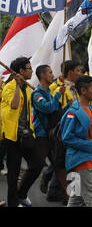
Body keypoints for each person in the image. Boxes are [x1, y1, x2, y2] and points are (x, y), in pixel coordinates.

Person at [1, 57, 45, 207]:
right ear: (20, 71)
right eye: (29, 68)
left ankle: (21, 194)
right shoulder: (9, 87)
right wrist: (18, 87)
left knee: (38, 164)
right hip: (12, 136)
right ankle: (13, 203)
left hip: (27, 134)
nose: (31, 70)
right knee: (13, 173)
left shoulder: (28, 87)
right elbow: (14, 105)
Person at [60, 75, 92, 207]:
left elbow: (91, 135)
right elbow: (67, 138)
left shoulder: (90, 109)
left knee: (76, 198)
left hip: (88, 158)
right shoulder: (73, 112)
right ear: (83, 91)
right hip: (79, 160)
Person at [32, 65, 69, 204]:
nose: (53, 75)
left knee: (60, 168)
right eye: (50, 72)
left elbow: (55, 111)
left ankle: (69, 199)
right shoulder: (37, 94)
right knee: (35, 168)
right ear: (42, 76)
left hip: (52, 135)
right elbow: (48, 108)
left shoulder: (48, 92)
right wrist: (59, 94)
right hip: (42, 137)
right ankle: (19, 194)